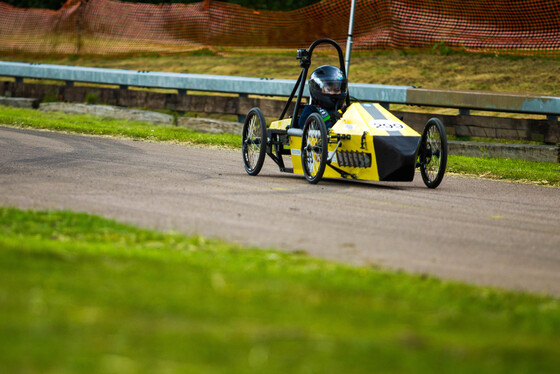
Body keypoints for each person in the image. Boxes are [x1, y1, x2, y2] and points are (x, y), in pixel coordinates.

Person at [297, 65, 348, 129]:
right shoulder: (311, 110)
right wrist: (332, 122)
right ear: (319, 90)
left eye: (336, 90)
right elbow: (303, 127)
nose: (333, 93)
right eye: (329, 90)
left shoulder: (345, 110)